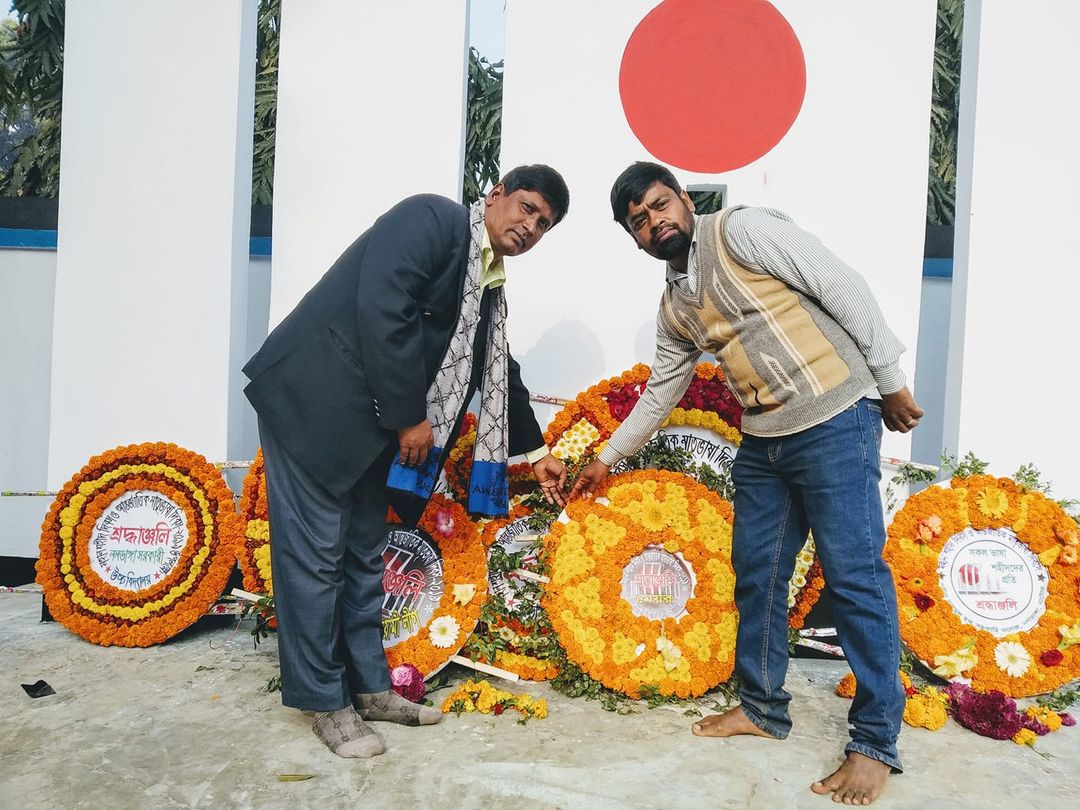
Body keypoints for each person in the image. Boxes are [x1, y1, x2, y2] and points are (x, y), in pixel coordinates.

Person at [571, 162, 923, 805]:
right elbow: (662, 390)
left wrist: (891, 380)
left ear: (683, 198)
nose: (655, 223)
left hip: (835, 418)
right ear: (636, 239)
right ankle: (763, 708)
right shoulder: (676, 303)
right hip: (766, 441)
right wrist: (608, 456)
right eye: (640, 222)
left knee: (853, 575)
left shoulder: (744, 230)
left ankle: (875, 743)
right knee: (757, 570)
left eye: (659, 205)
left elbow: (843, 286)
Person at [243, 165, 571, 758]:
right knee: (317, 557)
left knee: (366, 555)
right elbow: (382, 306)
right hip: (315, 405)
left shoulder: (488, 284)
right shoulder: (434, 220)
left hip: (375, 432)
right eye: (525, 207)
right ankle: (324, 701)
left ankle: (369, 688)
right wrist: (408, 418)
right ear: (496, 194)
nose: (529, 226)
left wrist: (538, 451)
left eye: (543, 224)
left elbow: (495, 367)